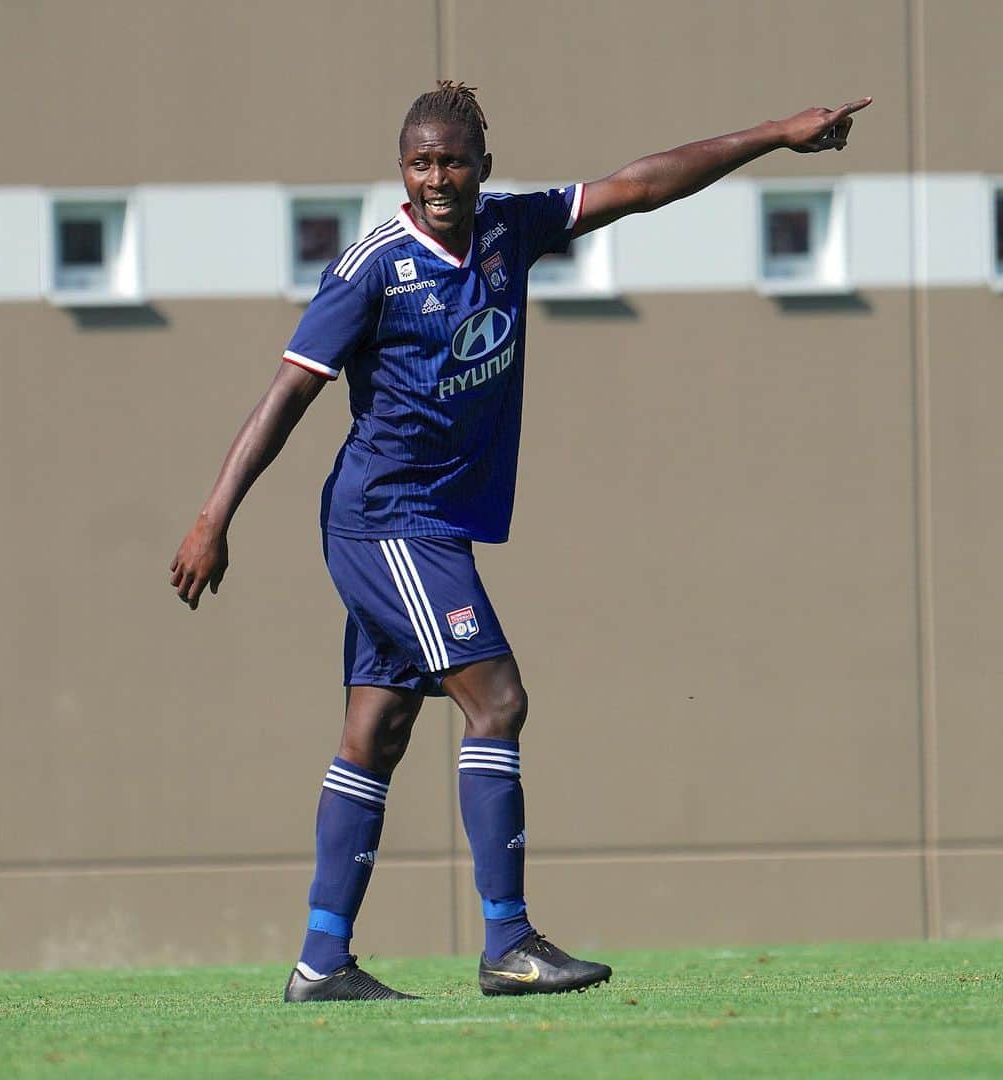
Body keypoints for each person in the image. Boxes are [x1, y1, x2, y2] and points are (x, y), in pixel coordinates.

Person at [170, 82, 871, 1001]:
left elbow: (642, 186)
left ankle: (321, 961)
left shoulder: (509, 231)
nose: (438, 178)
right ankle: (508, 941)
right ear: (401, 172)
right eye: (421, 163)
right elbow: (288, 393)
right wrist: (214, 516)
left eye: (453, 160)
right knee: (496, 700)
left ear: (483, 168)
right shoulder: (373, 269)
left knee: (376, 731)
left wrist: (779, 136)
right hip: (386, 518)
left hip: (427, 523)